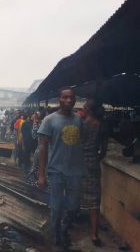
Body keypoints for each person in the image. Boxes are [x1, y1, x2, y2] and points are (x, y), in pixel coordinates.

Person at [37, 87, 86, 249]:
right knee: (56, 208)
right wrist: (41, 175)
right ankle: (57, 236)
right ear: (59, 99)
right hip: (56, 171)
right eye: (65, 97)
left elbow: (81, 144)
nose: (68, 101)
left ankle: (64, 229)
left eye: (71, 98)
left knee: (73, 207)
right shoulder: (49, 120)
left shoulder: (79, 119)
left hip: (76, 172)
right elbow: (42, 148)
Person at [80, 99, 108, 246]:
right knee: (94, 200)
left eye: (84, 108)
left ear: (88, 110)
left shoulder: (80, 124)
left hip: (79, 164)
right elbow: (103, 151)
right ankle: (94, 234)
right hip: (93, 164)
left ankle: (69, 224)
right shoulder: (101, 126)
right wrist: (95, 158)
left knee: (75, 193)